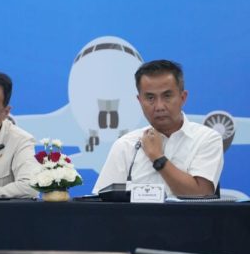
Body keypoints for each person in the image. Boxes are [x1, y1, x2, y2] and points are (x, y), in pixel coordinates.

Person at [93, 59, 223, 196]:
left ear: (183, 97)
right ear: (140, 101)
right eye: (150, 98)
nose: (159, 106)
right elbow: (101, 202)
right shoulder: (125, 145)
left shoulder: (206, 139)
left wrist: (157, 158)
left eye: (167, 96)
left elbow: (202, 194)